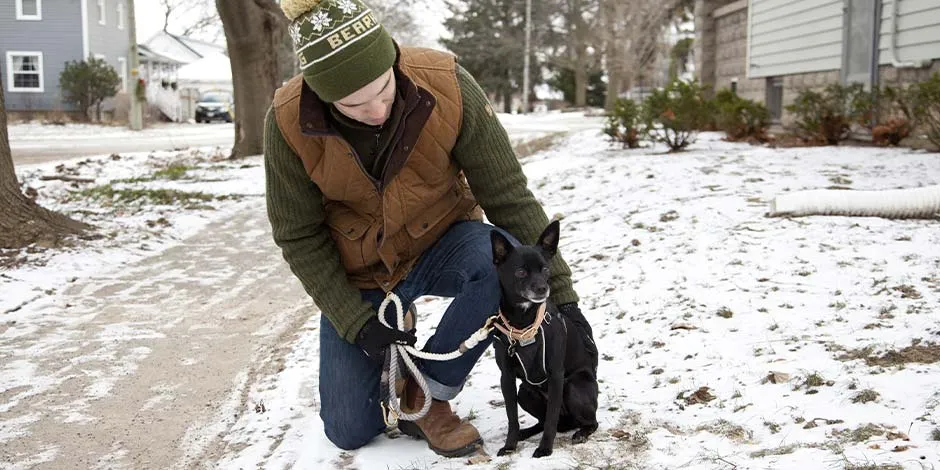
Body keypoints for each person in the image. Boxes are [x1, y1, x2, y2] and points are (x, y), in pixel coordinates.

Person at [264, 0, 593, 458]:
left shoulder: (449, 86)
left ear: (393, 60)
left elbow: (507, 194)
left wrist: (562, 295)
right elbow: (298, 236)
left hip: (445, 241)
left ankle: (428, 395)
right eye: (354, 104)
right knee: (349, 429)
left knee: (495, 262)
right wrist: (356, 323)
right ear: (322, 95)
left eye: (383, 90)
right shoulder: (287, 121)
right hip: (363, 269)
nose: (377, 110)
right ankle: (394, 341)